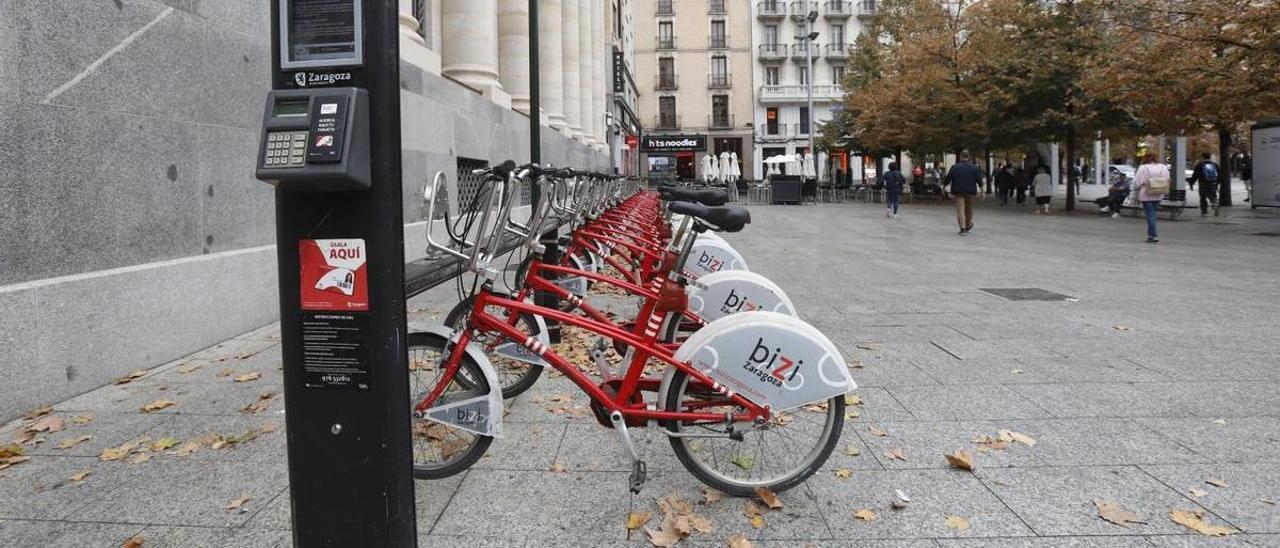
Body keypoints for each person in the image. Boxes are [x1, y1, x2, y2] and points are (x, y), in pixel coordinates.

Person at [943, 150, 983, 236]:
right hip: (970, 191)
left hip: (958, 190)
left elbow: (948, 179)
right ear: (969, 157)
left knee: (960, 209)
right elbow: (979, 181)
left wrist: (944, 187)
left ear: (961, 156)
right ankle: (968, 224)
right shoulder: (974, 167)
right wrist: (982, 192)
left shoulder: (955, 167)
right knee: (968, 209)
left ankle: (962, 228)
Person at [1134, 152, 1170, 243]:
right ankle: (1152, 235)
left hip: (1146, 193)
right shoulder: (1163, 167)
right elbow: (1167, 178)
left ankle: (1153, 235)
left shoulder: (1143, 168)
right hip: (1158, 193)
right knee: (1153, 214)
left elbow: (1137, 182)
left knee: (1150, 215)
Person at [1187, 152, 1221, 216]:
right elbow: (1219, 175)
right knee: (1213, 196)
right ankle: (1215, 205)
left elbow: (1195, 175)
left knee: (1203, 198)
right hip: (1212, 184)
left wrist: (1191, 183)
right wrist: (1216, 184)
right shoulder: (1215, 165)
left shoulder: (1200, 165)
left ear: (1203, 157)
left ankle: (1204, 212)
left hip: (1203, 184)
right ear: (1210, 157)